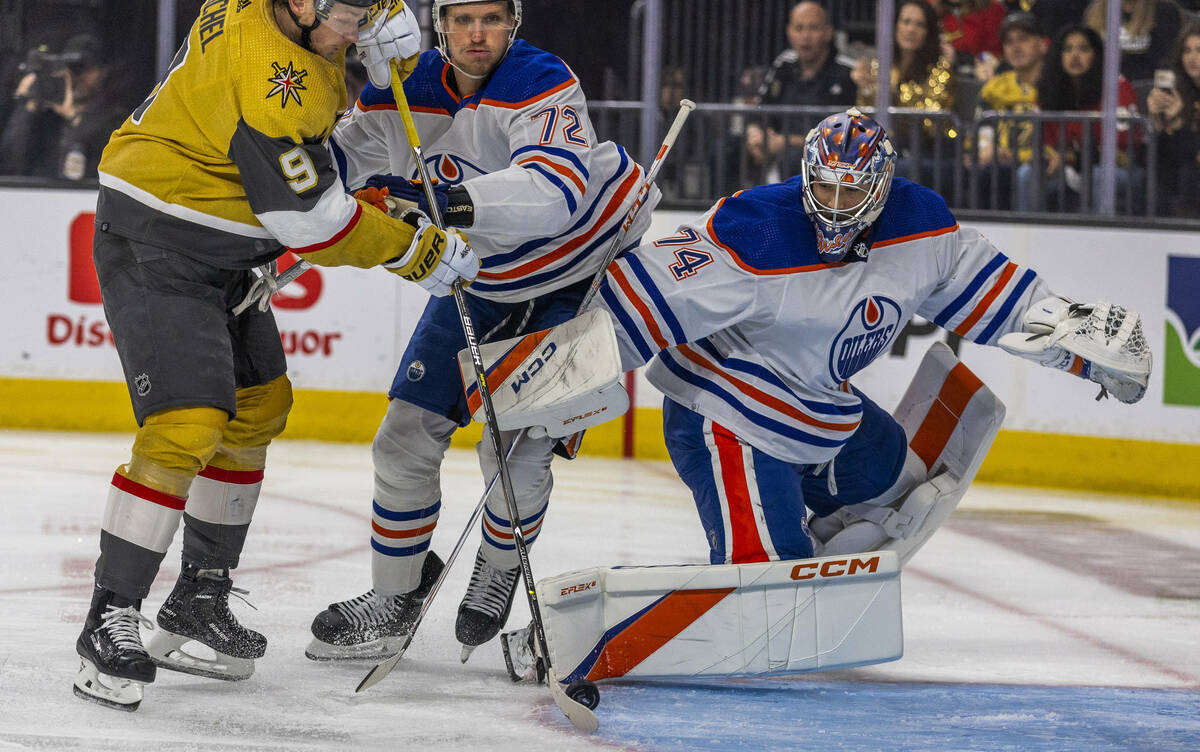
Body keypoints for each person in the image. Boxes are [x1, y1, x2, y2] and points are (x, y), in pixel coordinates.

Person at [72, 0, 477, 712]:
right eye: (350, 13)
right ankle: (108, 618)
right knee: (190, 421)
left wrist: (390, 47)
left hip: (228, 246)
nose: (359, 27)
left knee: (259, 407)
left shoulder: (294, 20)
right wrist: (413, 250)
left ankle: (198, 598)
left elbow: (314, 159)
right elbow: (310, 222)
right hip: (160, 236)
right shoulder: (270, 71)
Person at [591, 107, 1148, 571]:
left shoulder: (919, 225)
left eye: (850, 191)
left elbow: (1002, 301)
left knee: (899, 485)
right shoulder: (754, 227)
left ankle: (808, 536)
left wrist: (1089, 360)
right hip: (726, 419)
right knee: (764, 582)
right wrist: (554, 367)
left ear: (880, 187)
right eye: (825, 187)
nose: (834, 206)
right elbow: (643, 299)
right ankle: (766, 555)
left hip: (817, 411)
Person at [305, 0, 659, 663]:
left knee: (519, 454)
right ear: (440, 24)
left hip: (574, 273)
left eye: (492, 18)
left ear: (514, 24)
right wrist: (282, 214)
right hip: (479, 276)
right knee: (402, 437)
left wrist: (442, 205)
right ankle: (394, 595)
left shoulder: (542, 79)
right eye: (463, 18)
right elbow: (336, 172)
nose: (476, 33)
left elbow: (555, 193)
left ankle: (498, 565)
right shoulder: (399, 90)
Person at [1016, 25, 1142, 211]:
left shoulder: (1117, 86)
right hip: (1067, 170)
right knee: (1027, 174)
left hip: (1118, 169)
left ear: (1096, 55)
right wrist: (1049, 159)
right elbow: (1043, 142)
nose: (1075, 55)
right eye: (1068, 49)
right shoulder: (1049, 89)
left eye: (1083, 49)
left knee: (1100, 175)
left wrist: (1071, 158)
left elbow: (1121, 151)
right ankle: (1025, 236)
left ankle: (1102, 235)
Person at [744, 1, 857, 183]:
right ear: (789, 32)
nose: (805, 36)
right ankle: (722, 207)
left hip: (824, 156)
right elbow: (759, 110)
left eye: (813, 28)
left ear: (828, 33)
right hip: (776, 144)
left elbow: (842, 136)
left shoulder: (848, 71)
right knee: (727, 149)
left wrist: (785, 141)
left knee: (793, 158)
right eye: (799, 28)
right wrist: (755, 134)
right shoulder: (783, 64)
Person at [854, 0, 957, 192]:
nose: (911, 29)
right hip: (891, 146)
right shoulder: (880, 65)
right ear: (895, 26)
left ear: (929, 32)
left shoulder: (941, 68)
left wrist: (893, 93)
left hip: (930, 150)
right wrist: (866, 87)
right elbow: (867, 115)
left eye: (920, 25)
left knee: (898, 168)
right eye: (906, 22)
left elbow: (930, 119)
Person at [0, 34, 127, 179]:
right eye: (70, 69)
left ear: (102, 73)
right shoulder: (47, 118)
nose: (76, 77)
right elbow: (10, 163)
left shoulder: (114, 121)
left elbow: (100, 170)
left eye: (84, 68)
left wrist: (73, 117)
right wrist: (28, 106)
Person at [972, 11, 1049, 208]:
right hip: (1000, 163)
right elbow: (982, 132)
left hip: (1044, 165)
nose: (1016, 46)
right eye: (1009, 41)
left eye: (1023, 39)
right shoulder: (995, 87)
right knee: (986, 172)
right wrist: (988, 149)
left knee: (1025, 174)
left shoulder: (1055, 85)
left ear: (1042, 44)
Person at [1147, 21, 1200, 215]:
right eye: (1187, 51)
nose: (1192, 58)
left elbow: (1194, 152)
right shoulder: (1177, 91)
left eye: (1198, 50)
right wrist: (1157, 121)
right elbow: (1163, 154)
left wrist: (1179, 123)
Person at [1084, 0, 1183, 83]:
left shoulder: (1164, 11)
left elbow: (1169, 62)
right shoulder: (1095, 11)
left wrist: (1164, 91)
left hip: (1146, 90)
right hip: (1103, 89)